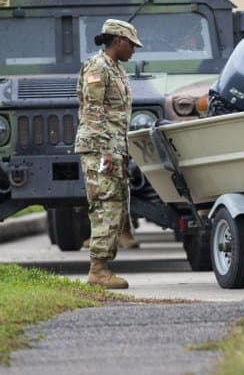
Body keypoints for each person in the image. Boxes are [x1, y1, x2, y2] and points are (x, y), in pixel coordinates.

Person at [74, 19, 143, 289]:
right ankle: (98, 271)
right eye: (132, 45)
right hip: (100, 149)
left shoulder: (114, 69)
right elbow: (93, 111)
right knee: (105, 204)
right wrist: (104, 151)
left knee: (115, 203)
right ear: (119, 41)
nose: (134, 51)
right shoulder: (98, 67)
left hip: (113, 148)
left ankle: (102, 268)